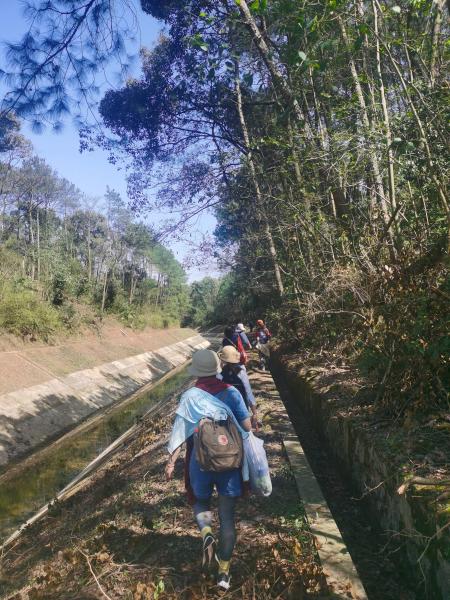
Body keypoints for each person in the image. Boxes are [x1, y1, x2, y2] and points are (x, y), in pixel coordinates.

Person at [165, 349, 251, 591]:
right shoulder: (231, 392)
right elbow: (246, 427)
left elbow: (179, 433)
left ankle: (206, 532)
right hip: (229, 463)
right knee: (227, 518)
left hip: (199, 463)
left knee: (201, 502)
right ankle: (224, 572)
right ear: (217, 368)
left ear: (196, 372)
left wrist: (171, 462)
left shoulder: (190, 396)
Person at [218, 346, 258, 429]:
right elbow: (248, 392)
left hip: (227, 411)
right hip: (242, 409)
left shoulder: (220, 375)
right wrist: (254, 413)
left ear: (223, 360)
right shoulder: (241, 371)